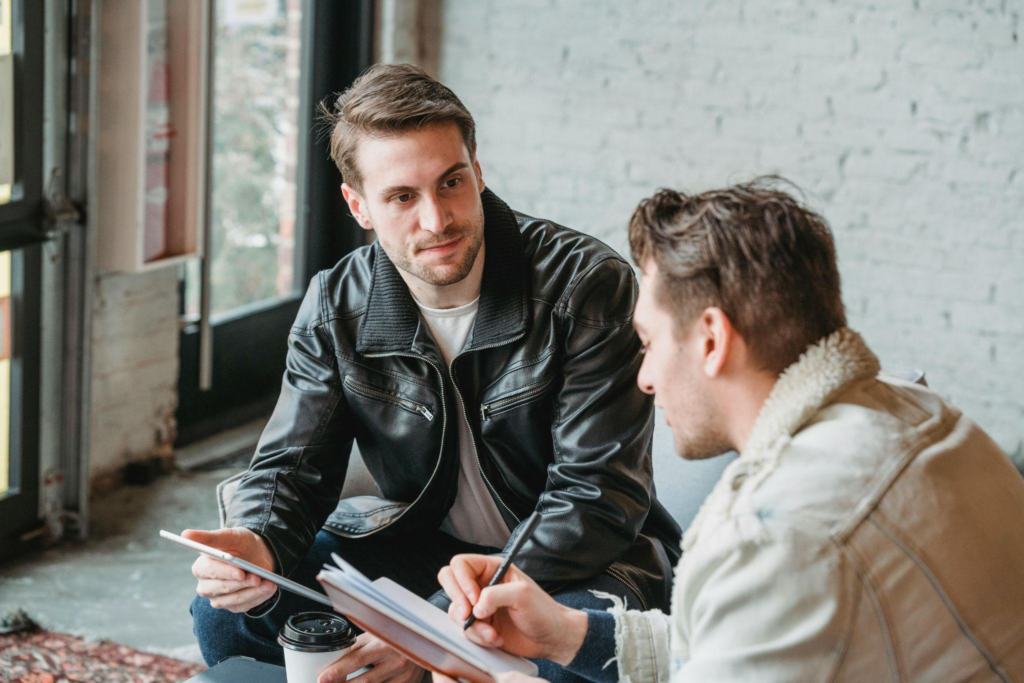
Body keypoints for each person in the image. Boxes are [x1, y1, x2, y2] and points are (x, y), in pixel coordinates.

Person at [183, 64, 682, 683]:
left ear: (478, 172)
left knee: (551, 654)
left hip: (574, 562)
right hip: (423, 547)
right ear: (358, 205)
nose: (437, 220)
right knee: (226, 615)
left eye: (451, 182)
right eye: (402, 197)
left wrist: (435, 628)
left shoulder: (584, 285)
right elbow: (291, 467)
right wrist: (257, 545)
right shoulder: (337, 303)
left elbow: (596, 497)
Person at [436, 178, 1024, 682]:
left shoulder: (782, 536)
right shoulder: (925, 416)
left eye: (649, 343)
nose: (644, 377)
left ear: (712, 341)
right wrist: (566, 633)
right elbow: (726, 652)